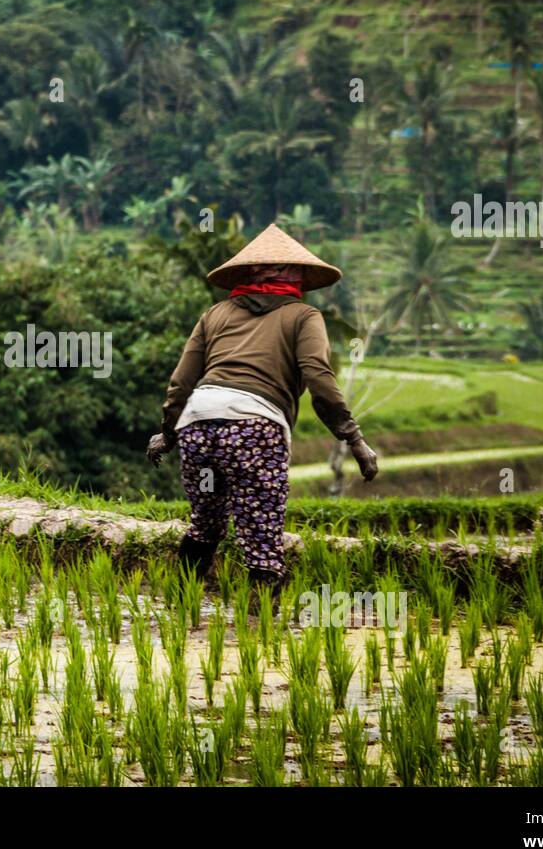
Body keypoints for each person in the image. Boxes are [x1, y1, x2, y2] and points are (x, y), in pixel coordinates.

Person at [147, 222, 379, 587]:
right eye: (293, 269)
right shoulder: (304, 317)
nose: (298, 275)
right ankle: (262, 626)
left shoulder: (215, 314)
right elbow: (319, 378)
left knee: (205, 522)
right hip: (253, 429)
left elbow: (181, 382)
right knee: (261, 530)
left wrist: (168, 434)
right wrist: (354, 438)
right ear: (284, 272)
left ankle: (184, 601)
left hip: (198, 426)